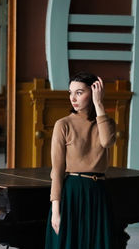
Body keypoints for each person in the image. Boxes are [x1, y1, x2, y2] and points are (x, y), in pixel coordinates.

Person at [45, 71, 116, 249]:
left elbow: (107, 141)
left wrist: (99, 104)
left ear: (93, 92)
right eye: (70, 92)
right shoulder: (63, 124)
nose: (73, 98)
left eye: (79, 92)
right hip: (72, 193)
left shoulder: (106, 123)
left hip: (97, 192)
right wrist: (55, 210)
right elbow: (57, 170)